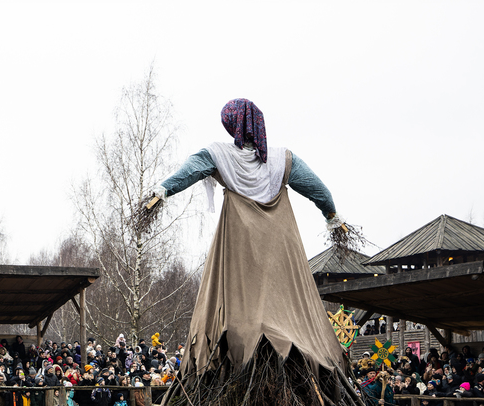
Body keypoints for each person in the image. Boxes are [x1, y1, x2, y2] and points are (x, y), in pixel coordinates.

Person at [147, 98, 344, 375]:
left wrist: (161, 192)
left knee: (238, 308)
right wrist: (333, 218)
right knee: (286, 308)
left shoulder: (219, 156)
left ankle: (237, 358)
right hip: (279, 249)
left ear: (233, 126)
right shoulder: (282, 160)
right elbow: (319, 191)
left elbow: (187, 173)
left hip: (239, 248)